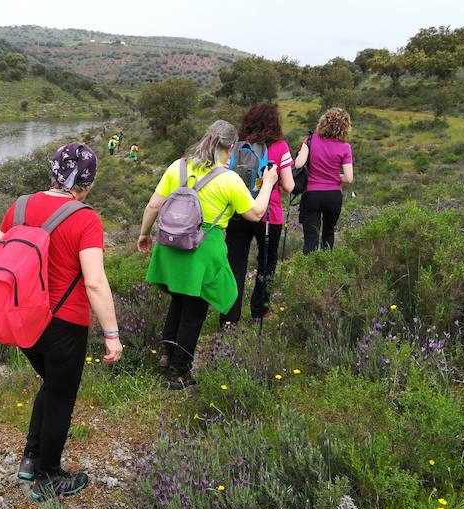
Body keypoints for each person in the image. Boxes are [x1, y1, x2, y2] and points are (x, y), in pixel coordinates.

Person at [0, 142, 123, 501]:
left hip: (22, 319)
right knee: (61, 395)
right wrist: (112, 336)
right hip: (64, 323)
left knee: (51, 384)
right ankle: (48, 476)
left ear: (53, 170)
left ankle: (31, 458)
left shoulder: (18, 206)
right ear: (88, 182)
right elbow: (95, 281)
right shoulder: (85, 219)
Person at [137, 120, 278, 389]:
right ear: (231, 148)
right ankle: (179, 373)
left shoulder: (177, 166)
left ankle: (167, 355)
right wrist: (269, 182)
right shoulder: (229, 180)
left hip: (170, 244)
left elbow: (154, 205)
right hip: (202, 248)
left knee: (178, 299)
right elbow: (256, 213)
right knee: (195, 308)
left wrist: (144, 235)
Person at [220, 102, 295, 327]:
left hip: (238, 212)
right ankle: (260, 310)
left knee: (235, 264)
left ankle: (229, 318)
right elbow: (290, 186)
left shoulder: (237, 145)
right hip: (268, 215)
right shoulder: (280, 147)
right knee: (267, 262)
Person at [293, 107, 354, 254]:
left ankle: (307, 273)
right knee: (328, 234)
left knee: (311, 239)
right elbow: (349, 178)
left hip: (312, 195)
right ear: (345, 127)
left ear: (324, 122)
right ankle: (326, 270)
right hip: (333, 196)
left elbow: (298, 164)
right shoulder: (345, 147)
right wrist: (334, 176)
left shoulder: (310, 140)